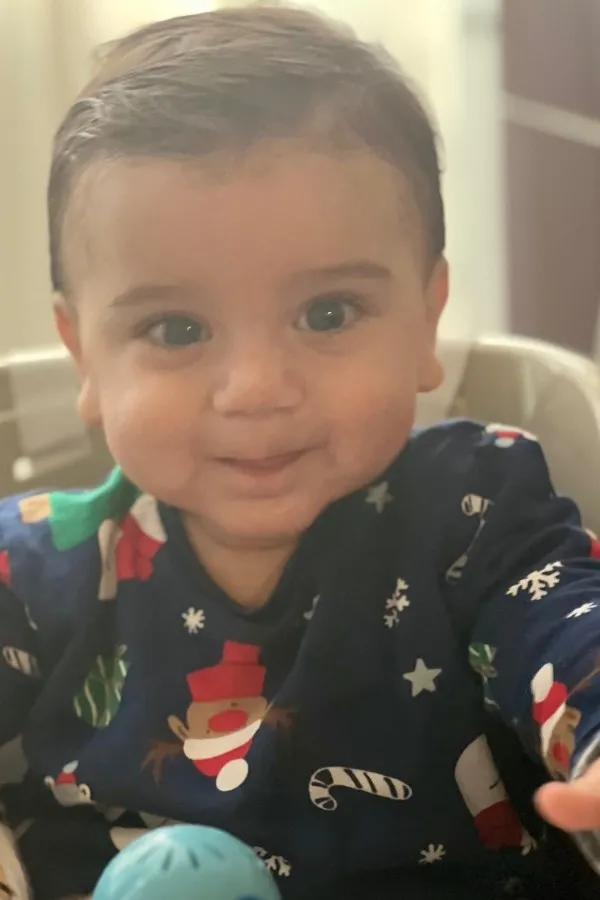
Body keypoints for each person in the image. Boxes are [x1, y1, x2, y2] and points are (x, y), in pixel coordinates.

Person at [1, 5, 600, 899]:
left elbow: (570, 632)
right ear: (84, 354)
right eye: (176, 328)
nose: (256, 388)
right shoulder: (32, 570)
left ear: (426, 319)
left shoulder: (476, 511)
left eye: (327, 313)